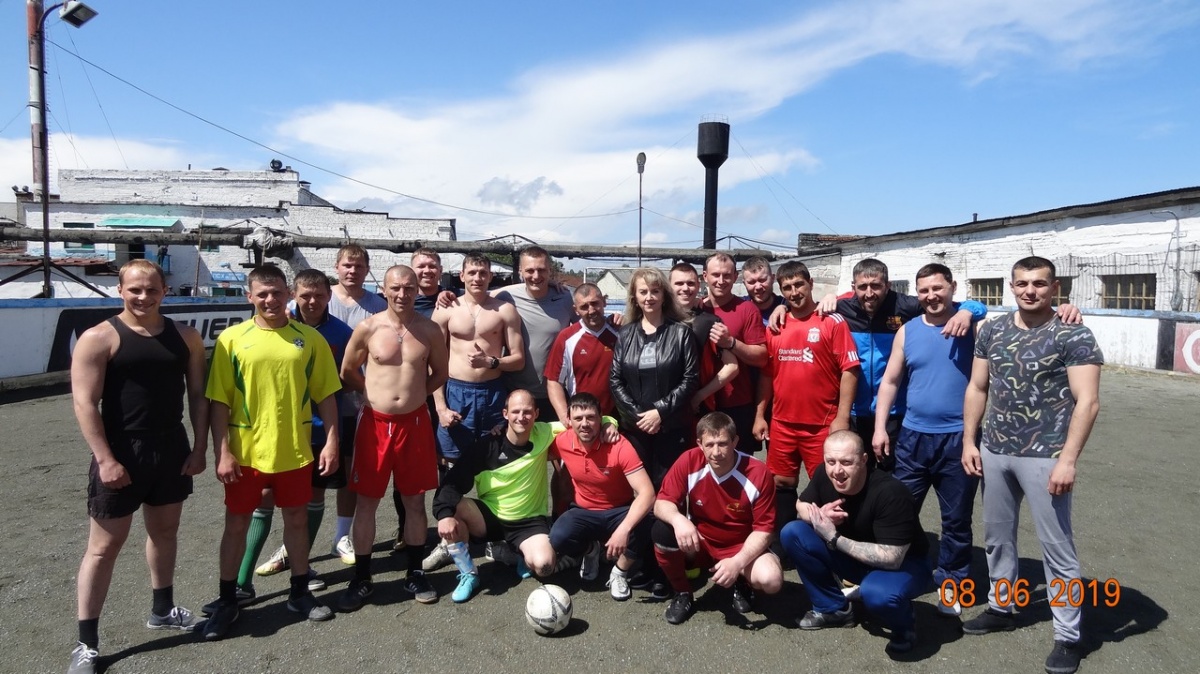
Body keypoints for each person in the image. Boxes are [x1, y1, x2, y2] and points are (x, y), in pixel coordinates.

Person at [960, 257, 1102, 674]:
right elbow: (977, 387)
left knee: (1057, 548)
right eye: (1022, 283)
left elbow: (1088, 401)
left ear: (1054, 288)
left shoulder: (1072, 332)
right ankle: (1001, 606)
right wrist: (970, 441)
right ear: (1011, 286)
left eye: (1039, 284)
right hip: (996, 450)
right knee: (997, 537)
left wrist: (1068, 460)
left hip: (1046, 456)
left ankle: (1068, 635)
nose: (1030, 291)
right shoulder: (993, 330)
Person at [66, 260, 208, 674]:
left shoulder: (186, 337)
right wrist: (105, 459)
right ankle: (86, 644)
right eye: (135, 290)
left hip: (170, 448)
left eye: (151, 289)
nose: (143, 297)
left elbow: (198, 396)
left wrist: (200, 448)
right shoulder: (98, 338)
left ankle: (162, 610)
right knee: (103, 548)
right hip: (121, 451)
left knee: (164, 533)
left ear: (165, 290)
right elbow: (84, 403)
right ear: (120, 290)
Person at [202, 265, 341, 640]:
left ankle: (299, 592)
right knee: (236, 524)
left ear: (289, 295)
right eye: (262, 293)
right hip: (246, 453)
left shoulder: (309, 339)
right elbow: (219, 402)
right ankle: (228, 599)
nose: (270, 300)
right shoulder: (232, 340)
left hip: (294, 450)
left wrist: (332, 441)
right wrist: (222, 452)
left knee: (296, 519)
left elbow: (327, 395)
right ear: (249, 296)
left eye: (277, 292)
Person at [771, 258, 986, 467]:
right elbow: (802, 306)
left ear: (888, 285)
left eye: (876, 286)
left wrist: (967, 311)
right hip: (855, 412)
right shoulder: (842, 308)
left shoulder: (906, 306)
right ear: (853, 287)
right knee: (854, 474)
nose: (869, 293)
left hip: (895, 413)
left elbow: (969, 306)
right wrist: (782, 307)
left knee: (889, 476)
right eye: (862, 287)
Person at [335, 265, 450, 611]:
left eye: (409, 288)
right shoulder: (368, 327)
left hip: (414, 425)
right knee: (367, 502)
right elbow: (347, 371)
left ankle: (415, 572)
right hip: (375, 424)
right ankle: (362, 578)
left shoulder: (429, 330)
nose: (402, 294)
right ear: (384, 290)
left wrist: (416, 396)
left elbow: (441, 372)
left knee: (414, 501)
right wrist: (370, 393)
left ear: (417, 289)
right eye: (396, 288)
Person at [872, 263, 980, 616]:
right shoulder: (908, 331)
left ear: (953, 287)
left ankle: (952, 584)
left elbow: (1013, 314)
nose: (931, 296)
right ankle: (892, 573)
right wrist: (879, 427)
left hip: (958, 439)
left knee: (957, 520)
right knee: (897, 512)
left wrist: (970, 310)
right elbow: (890, 382)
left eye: (938, 288)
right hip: (913, 438)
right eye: (924, 290)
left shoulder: (972, 325)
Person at [249, 270, 355, 593]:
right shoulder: (273, 325)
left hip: (321, 429)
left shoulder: (342, 333)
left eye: (319, 296)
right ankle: (241, 581)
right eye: (305, 295)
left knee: (312, 495)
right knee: (265, 497)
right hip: (276, 429)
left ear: (329, 296)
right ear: (293, 295)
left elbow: (347, 376)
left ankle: (299, 561)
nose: (312, 302)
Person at [780, 430, 931, 654]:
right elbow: (801, 505)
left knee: (877, 593)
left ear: (863, 460)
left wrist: (833, 537)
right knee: (793, 532)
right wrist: (818, 515)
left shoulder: (891, 493)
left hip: (904, 566)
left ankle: (904, 626)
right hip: (855, 557)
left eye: (846, 462)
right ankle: (832, 609)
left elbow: (892, 558)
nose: (837, 471)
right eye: (831, 461)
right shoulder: (825, 474)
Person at [753, 261, 860, 534]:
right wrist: (760, 415)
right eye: (787, 287)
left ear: (811, 284)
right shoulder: (775, 326)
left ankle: (834, 543)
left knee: (829, 484)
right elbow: (767, 375)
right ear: (781, 291)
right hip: (782, 423)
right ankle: (783, 541)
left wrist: (842, 418)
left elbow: (850, 371)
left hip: (821, 424)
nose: (794, 292)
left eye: (799, 284)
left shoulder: (831, 321)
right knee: (781, 482)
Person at [652, 412, 782, 624]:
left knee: (771, 580)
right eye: (709, 445)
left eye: (722, 444)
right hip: (701, 542)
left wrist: (737, 562)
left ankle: (742, 580)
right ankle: (682, 592)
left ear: (735, 441)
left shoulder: (758, 473)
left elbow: (764, 531)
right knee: (662, 530)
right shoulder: (689, 460)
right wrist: (679, 520)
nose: (716, 452)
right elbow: (661, 503)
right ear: (699, 444)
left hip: (740, 545)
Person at [431, 390, 560, 603]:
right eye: (516, 411)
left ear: (536, 414)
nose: (522, 417)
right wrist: (444, 514)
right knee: (453, 508)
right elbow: (452, 482)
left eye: (527, 412)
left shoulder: (544, 433)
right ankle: (469, 574)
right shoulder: (487, 446)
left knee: (545, 567)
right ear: (505, 414)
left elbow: (582, 421)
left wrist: (609, 423)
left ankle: (514, 553)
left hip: (529, 522)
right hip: (491, 517)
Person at [548, 393, 655, 601]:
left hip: (618, 511)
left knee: (648, 520)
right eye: (578, 418)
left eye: (591, 417)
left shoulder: (619, 445)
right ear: (569, 420)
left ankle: (619, 572)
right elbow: (533, 448)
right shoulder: (562, 441)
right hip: (583, 511)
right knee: (558, 537)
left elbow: (647, 493)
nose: (584, 424)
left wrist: (624, 529)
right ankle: (591, 550)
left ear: (601, 418)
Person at [609, 267, 700, 488]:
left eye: (655, 291)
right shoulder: (625, 334)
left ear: (664, 295)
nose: (649, 297)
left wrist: (659, 412)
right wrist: (639, 416)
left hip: (672, 427)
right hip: (636, 428)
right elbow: (615, 379)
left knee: (670, 489)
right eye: (643, 292)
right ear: (635, 297)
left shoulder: (681, 332)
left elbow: (690, 379)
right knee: (641, 490)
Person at [431, 253, 525, 465]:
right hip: (455, 391)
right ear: (462, 275)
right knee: (450, 459)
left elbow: (519, 360)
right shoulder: (446, 309)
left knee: (495, 457)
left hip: (492, 392)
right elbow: (434, 362)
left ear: (490, 276)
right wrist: (441, 408)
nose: (477, 278)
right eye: (472, 272)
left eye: (483, 273)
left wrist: (491, 362)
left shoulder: (505, 310)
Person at [327, 244, 388, 563]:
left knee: (351, 470)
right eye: (347, 265)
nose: (352, 271)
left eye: (359, 266)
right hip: (315, 402)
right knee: (307, 474)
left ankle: (342, 535)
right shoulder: (318, 299)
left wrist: (369, 391)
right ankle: (295, 540)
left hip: (359, 401)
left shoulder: (378, 305)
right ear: (336, 267)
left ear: (367, 269)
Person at [493, 245, 576, 422]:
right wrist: (446, 295)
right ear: (520, 271)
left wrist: (613, 321)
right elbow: (474, 296)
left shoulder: (565, 297)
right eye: (530, 271)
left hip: (554, 393)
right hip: (514, 393)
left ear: (550, 271)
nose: (536, 276)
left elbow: (588, 324)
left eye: (541, 270)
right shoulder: (506, 296)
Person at [702, 253, 768, 453]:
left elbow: (762, 357)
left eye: (727, 275)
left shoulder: (747, 309)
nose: (721, 281)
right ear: (705, 276)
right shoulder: (695, 309)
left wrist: (731, 343)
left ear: (735, 276)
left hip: (737, 404)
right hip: (701, 403)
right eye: (715, 275)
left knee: (739, 463)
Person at [669, 263, 739, 421]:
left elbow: (732, 366)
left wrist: (700, 396)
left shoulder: (709, 322)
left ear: (698, 285)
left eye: (690, 283)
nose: (685, 288)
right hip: (663, 408)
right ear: (669, 286)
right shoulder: (657, 320)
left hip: (699, 410)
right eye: (679, 283)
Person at [544, 283, 620, 422]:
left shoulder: (620, 332)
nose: (591, 310)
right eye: (584, 307)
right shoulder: (566, 338)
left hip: (617, 417)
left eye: (595, 303)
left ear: (604, 302)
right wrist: (564, 415)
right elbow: (554, 381)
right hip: (583, 419)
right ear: (576, 310)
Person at [741, 256, 785, 325]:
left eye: (762, 280)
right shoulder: (738, 307)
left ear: (772, 278)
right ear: (744, 284)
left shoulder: (787, 305)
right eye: (751, 282)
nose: (758, 287)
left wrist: (785, 306)